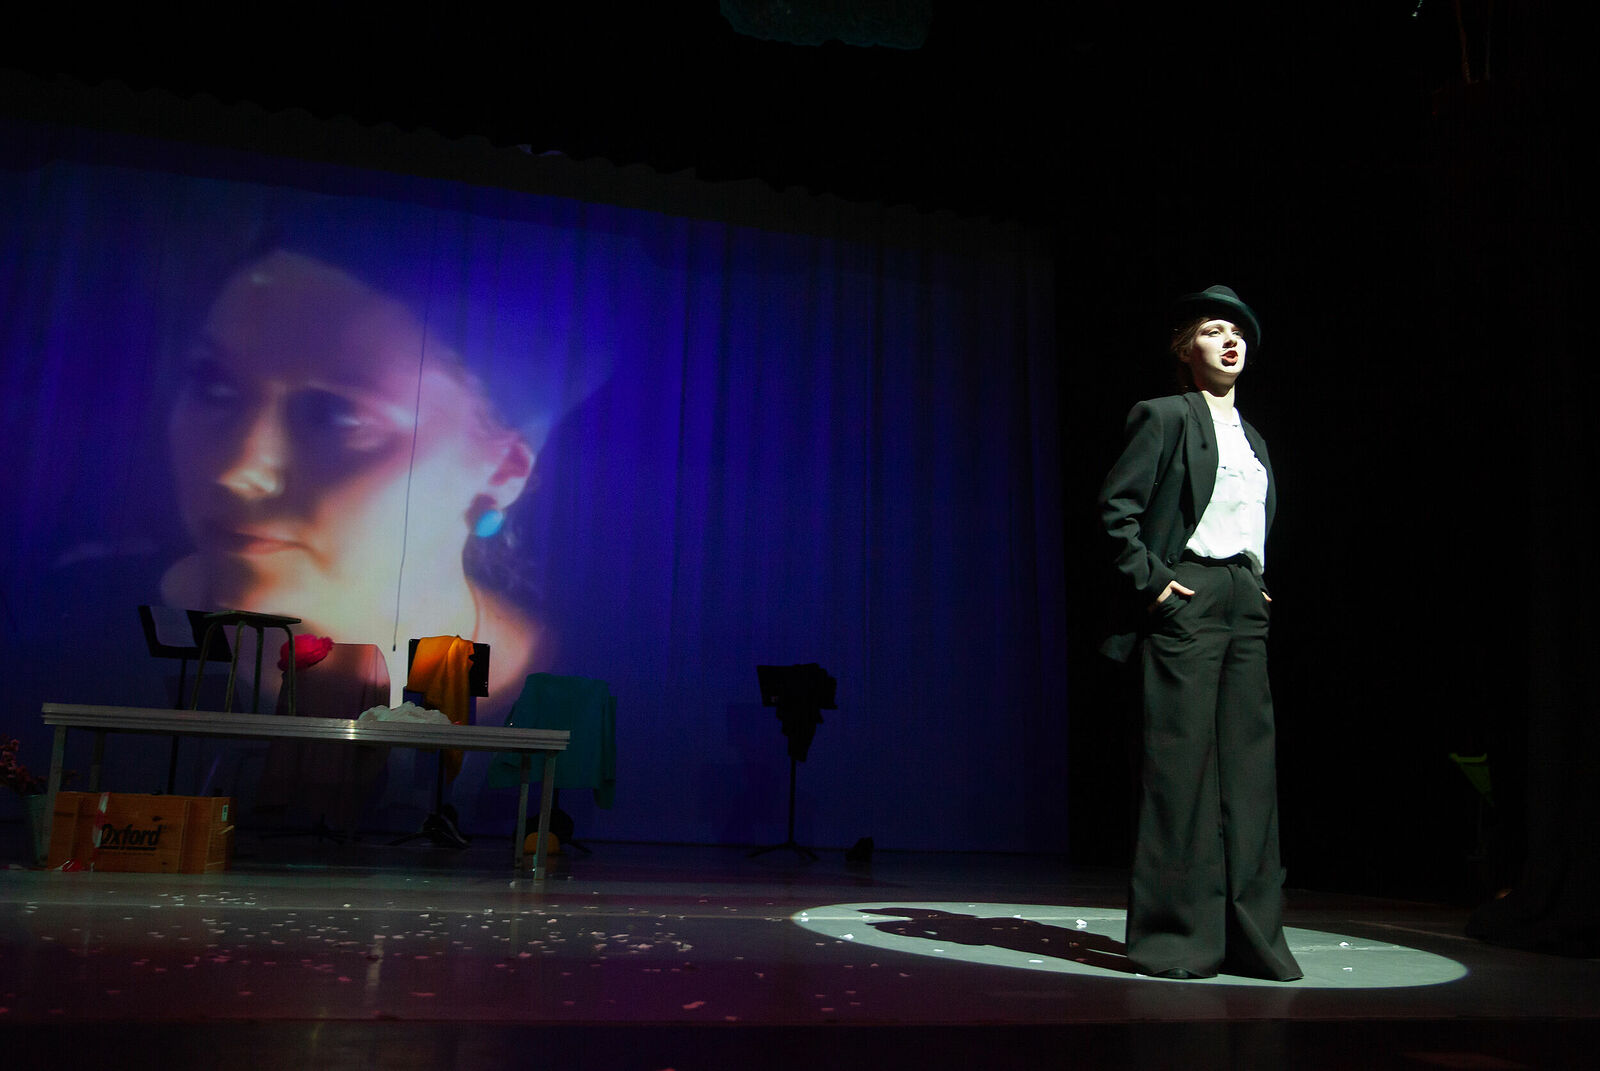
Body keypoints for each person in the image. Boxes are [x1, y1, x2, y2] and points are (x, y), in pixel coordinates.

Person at [161, 248, 546, 721]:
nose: (235, 471)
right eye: (214, 387)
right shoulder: (82, 633)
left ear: (502, 470)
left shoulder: (594, 701)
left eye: (336, 416)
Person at [1097, 284, 1302, 981]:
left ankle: (1249, 938)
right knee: (1180, 769)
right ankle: (1177, 937)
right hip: (1187, 591)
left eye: (1238, 331)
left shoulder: (1256, 438)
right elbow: (1116, 511)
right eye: (1214, 330)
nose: (1230, 339)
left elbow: (1249, 516)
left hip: (1244, 598)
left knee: (1249, 773)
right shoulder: (1163, 415)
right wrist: (1154, 581)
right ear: (1187, 351)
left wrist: (1257, 579)